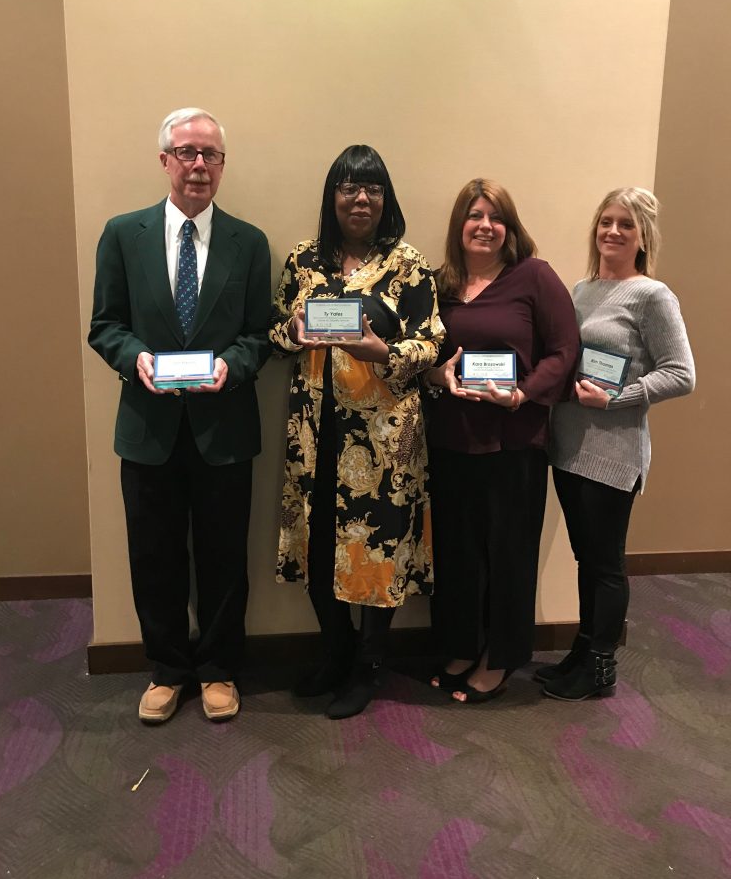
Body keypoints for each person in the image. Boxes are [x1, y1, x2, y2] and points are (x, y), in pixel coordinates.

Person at [88, 107, 271, 724]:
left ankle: (218, 668)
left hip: (225, 428)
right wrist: (135, 357)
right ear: (165, 160)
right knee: (154, 556)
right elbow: (105, 325)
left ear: (222, 165)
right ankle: (167, 670)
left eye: (210, 155)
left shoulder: (250, 242)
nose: (199, 165)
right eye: (187, 153)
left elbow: (259, 334)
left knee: (224, 557)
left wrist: (232, 366)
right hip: (149, 429)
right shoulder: (123, 234)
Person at [269, 144, 444, 719]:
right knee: (319, 544)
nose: (361, 198)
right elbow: (275, 332)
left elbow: (431, 342)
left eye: (372, 188)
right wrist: (293, 334)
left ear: (386, 198)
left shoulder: (408, 265)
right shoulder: (303, 260)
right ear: (333, 197)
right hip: (315, 433)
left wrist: (384, 352)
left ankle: (369, 664)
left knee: (376, 549)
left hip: (384, 439)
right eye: (349, 187)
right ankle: (337, 650)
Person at [422, 179, 579, 703]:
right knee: (457, 551)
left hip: (513, 441)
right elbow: (424, 353)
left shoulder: (533, 276)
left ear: (509, 228)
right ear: (459, 225)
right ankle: (462, 645)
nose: (485, 225)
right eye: (475, 215)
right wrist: (437, 374)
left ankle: (501, 656)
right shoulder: (441, 283)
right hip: (451, 440)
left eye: (496, 217)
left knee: (509, 553)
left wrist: (523, 393)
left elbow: (564, 349)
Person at [541, 187, 695, 700]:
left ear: (643, 237)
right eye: (606, 221)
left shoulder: (652, 295)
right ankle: (582, 651)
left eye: (626, 224)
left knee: (605, 563)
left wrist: (618, 399)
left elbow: (681, 374)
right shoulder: (581, 289)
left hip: (613, 452)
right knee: (586, 557)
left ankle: (601, 666)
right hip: (568, 445)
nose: (612, 231)